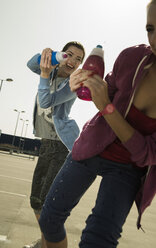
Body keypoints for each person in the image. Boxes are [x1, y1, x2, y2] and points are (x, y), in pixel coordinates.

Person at [38, 1, 156, 248]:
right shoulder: (132, 56)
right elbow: (106, 93)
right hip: (91, 147)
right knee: (49, 219)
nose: (155, 38)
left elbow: (147, 153)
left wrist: (106, 107)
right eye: (151, 28)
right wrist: (85, 86)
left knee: (97, 241)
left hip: (128, 168)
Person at [24, 42, 85, 248]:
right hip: (46, 143)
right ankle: (45, 242)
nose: (74, 61)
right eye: (71, 55)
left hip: (60, 145)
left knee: (47, 204)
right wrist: (50, 56)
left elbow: (46, 101)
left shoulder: (73, 84)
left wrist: (43, 75)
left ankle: (49, 244)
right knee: (35, 200)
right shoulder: (50, 73)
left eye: (79, 59)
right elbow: (31, 63)